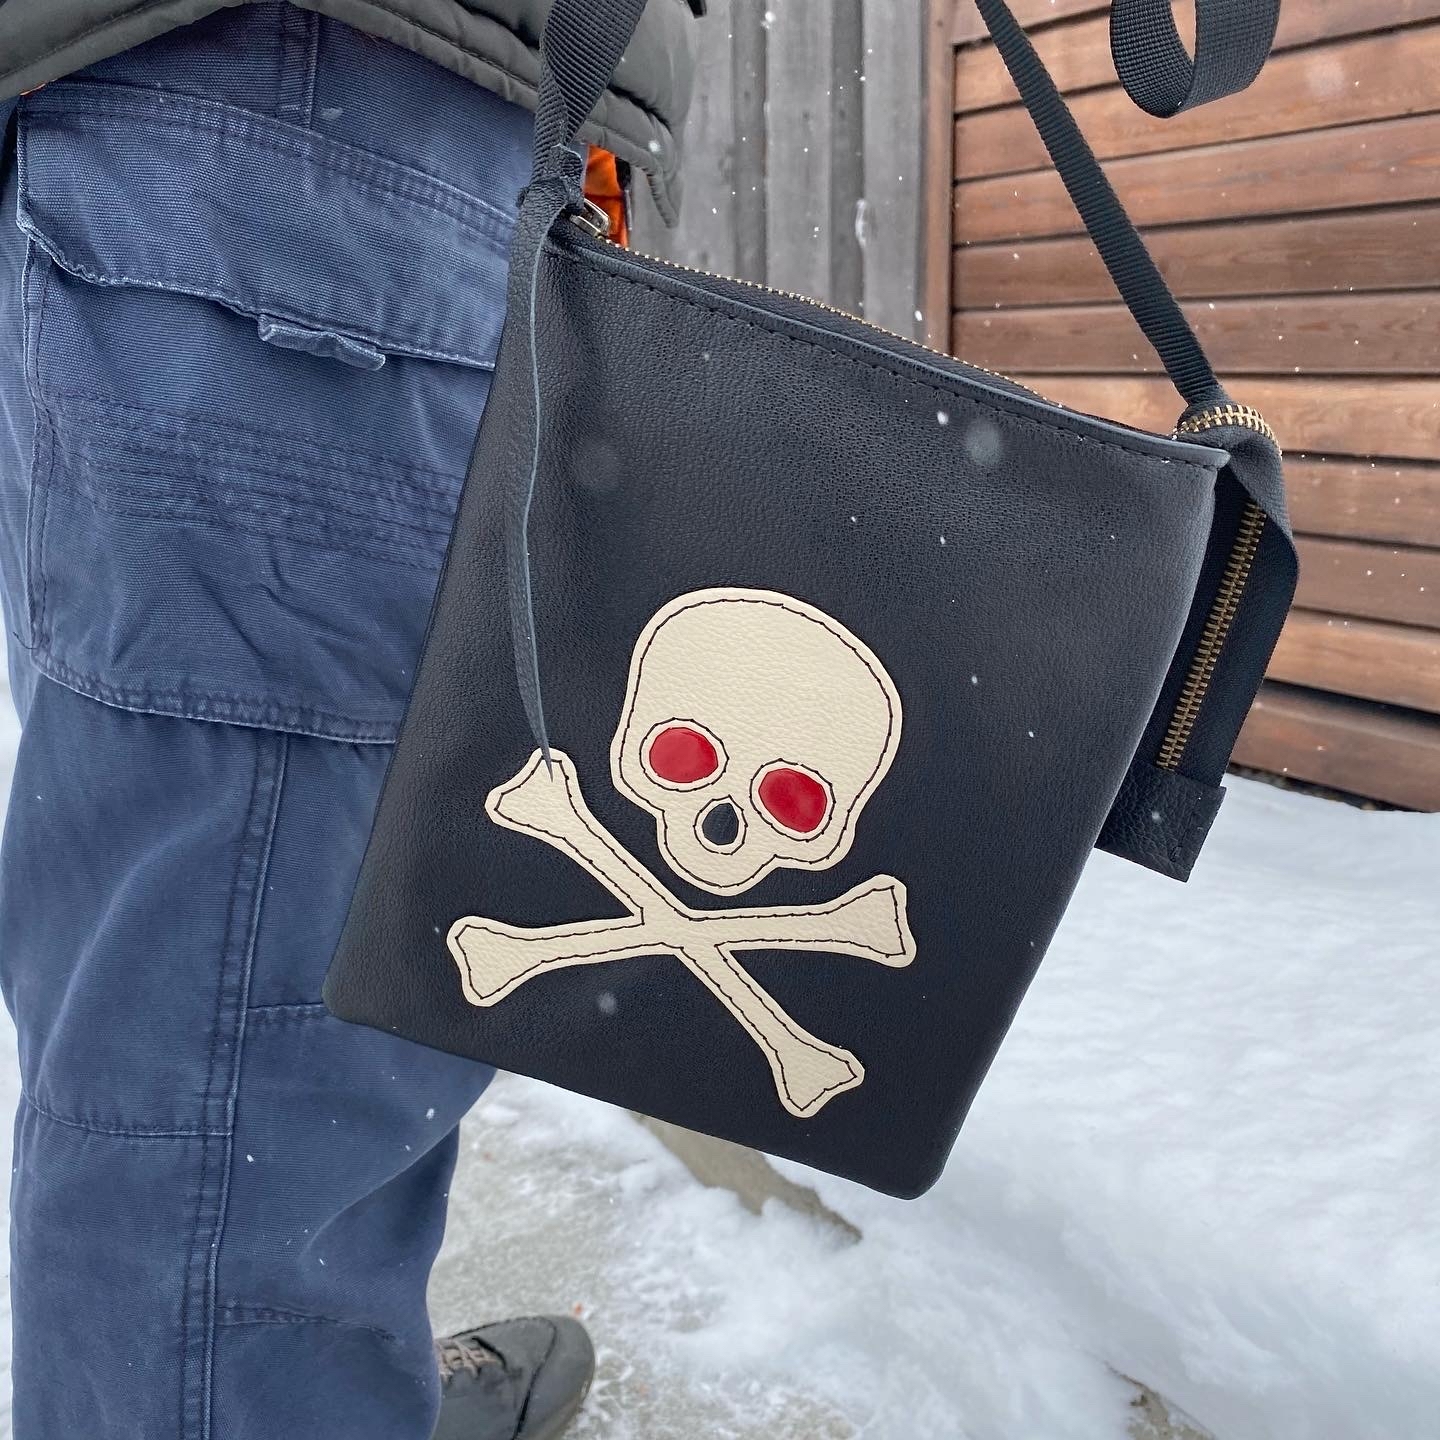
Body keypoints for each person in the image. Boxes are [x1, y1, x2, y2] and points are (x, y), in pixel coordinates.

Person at [0, 3, 692, 1436]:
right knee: (237, 1070)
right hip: (323, 135)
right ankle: (260, 1391)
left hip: (228, 126)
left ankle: (306, 1377)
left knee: (213, 992)